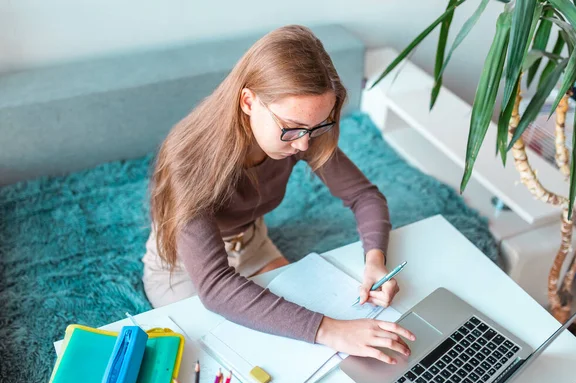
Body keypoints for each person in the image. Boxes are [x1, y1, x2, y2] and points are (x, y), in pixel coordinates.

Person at [142, 24, 414, 364]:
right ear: (248, 101)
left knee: (303, 347)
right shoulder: (188, 160)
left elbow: (364, 196)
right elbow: (215, 288)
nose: (303, 144)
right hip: (182, 266)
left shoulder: (302, 132)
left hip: (253, 243)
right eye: (291, 128)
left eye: (317, 127)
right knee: (228, 357)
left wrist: (375, 260)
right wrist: (332, 330)